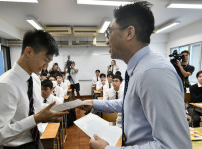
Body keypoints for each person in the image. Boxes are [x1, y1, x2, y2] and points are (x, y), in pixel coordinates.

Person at [80, 1, 191, 149]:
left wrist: (106, 148)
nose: (107, 40)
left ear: (129, 33)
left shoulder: (153, 72)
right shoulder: (139, 68)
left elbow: (175, 146)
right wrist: (94, 103)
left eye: (110, 32)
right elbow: (130, 104)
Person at [0, 30, 68, 149]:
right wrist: (36, 119)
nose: (46, 66)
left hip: (37, 142)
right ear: (29, 51)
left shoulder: (34, 79)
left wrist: (51, 112)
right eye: (45, 59)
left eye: (49, 61)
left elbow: (31, 110)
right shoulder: (5, 85)